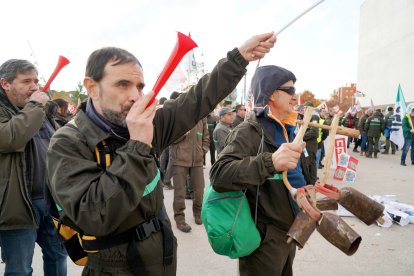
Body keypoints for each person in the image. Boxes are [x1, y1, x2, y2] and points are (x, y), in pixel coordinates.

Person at [46, 32, 276, 275]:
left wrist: (238, 59)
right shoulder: (68, 142)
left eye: (139, 86)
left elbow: (197, 99)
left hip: (161, 256)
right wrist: (138, 145)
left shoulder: (148, 122)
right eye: (122, 84)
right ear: (92, 87)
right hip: (113, 266)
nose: (135, 96)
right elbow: (95, 215)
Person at [210, 65, 306, 276]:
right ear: (272, 94)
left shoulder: (290, 128)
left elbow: (293, 174)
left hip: (290, 232)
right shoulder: (249, 130)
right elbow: (219, 174)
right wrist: (270, 162)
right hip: (265, 238)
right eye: (289, 90)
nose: (295, 95)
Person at [0, 59, 68, 275]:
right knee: (20, 268)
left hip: (50, 200)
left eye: (36, 81)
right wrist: (36, 105)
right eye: (26, 81)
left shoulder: (40, 110)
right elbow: (11, 137)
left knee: (58, 256)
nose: (34, 87)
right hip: (18, 205)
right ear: (5, 84)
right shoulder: (21, 109)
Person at [170, 118, 209, 232]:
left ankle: (197, 213)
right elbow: (170, 138)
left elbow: (206, 137)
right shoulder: (179, 115)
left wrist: (203, 150)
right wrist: (182, 133)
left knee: (199, 189)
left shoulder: (202, 117)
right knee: (180, 192)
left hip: (197, 160)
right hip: (179, 160)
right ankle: (179, 219)